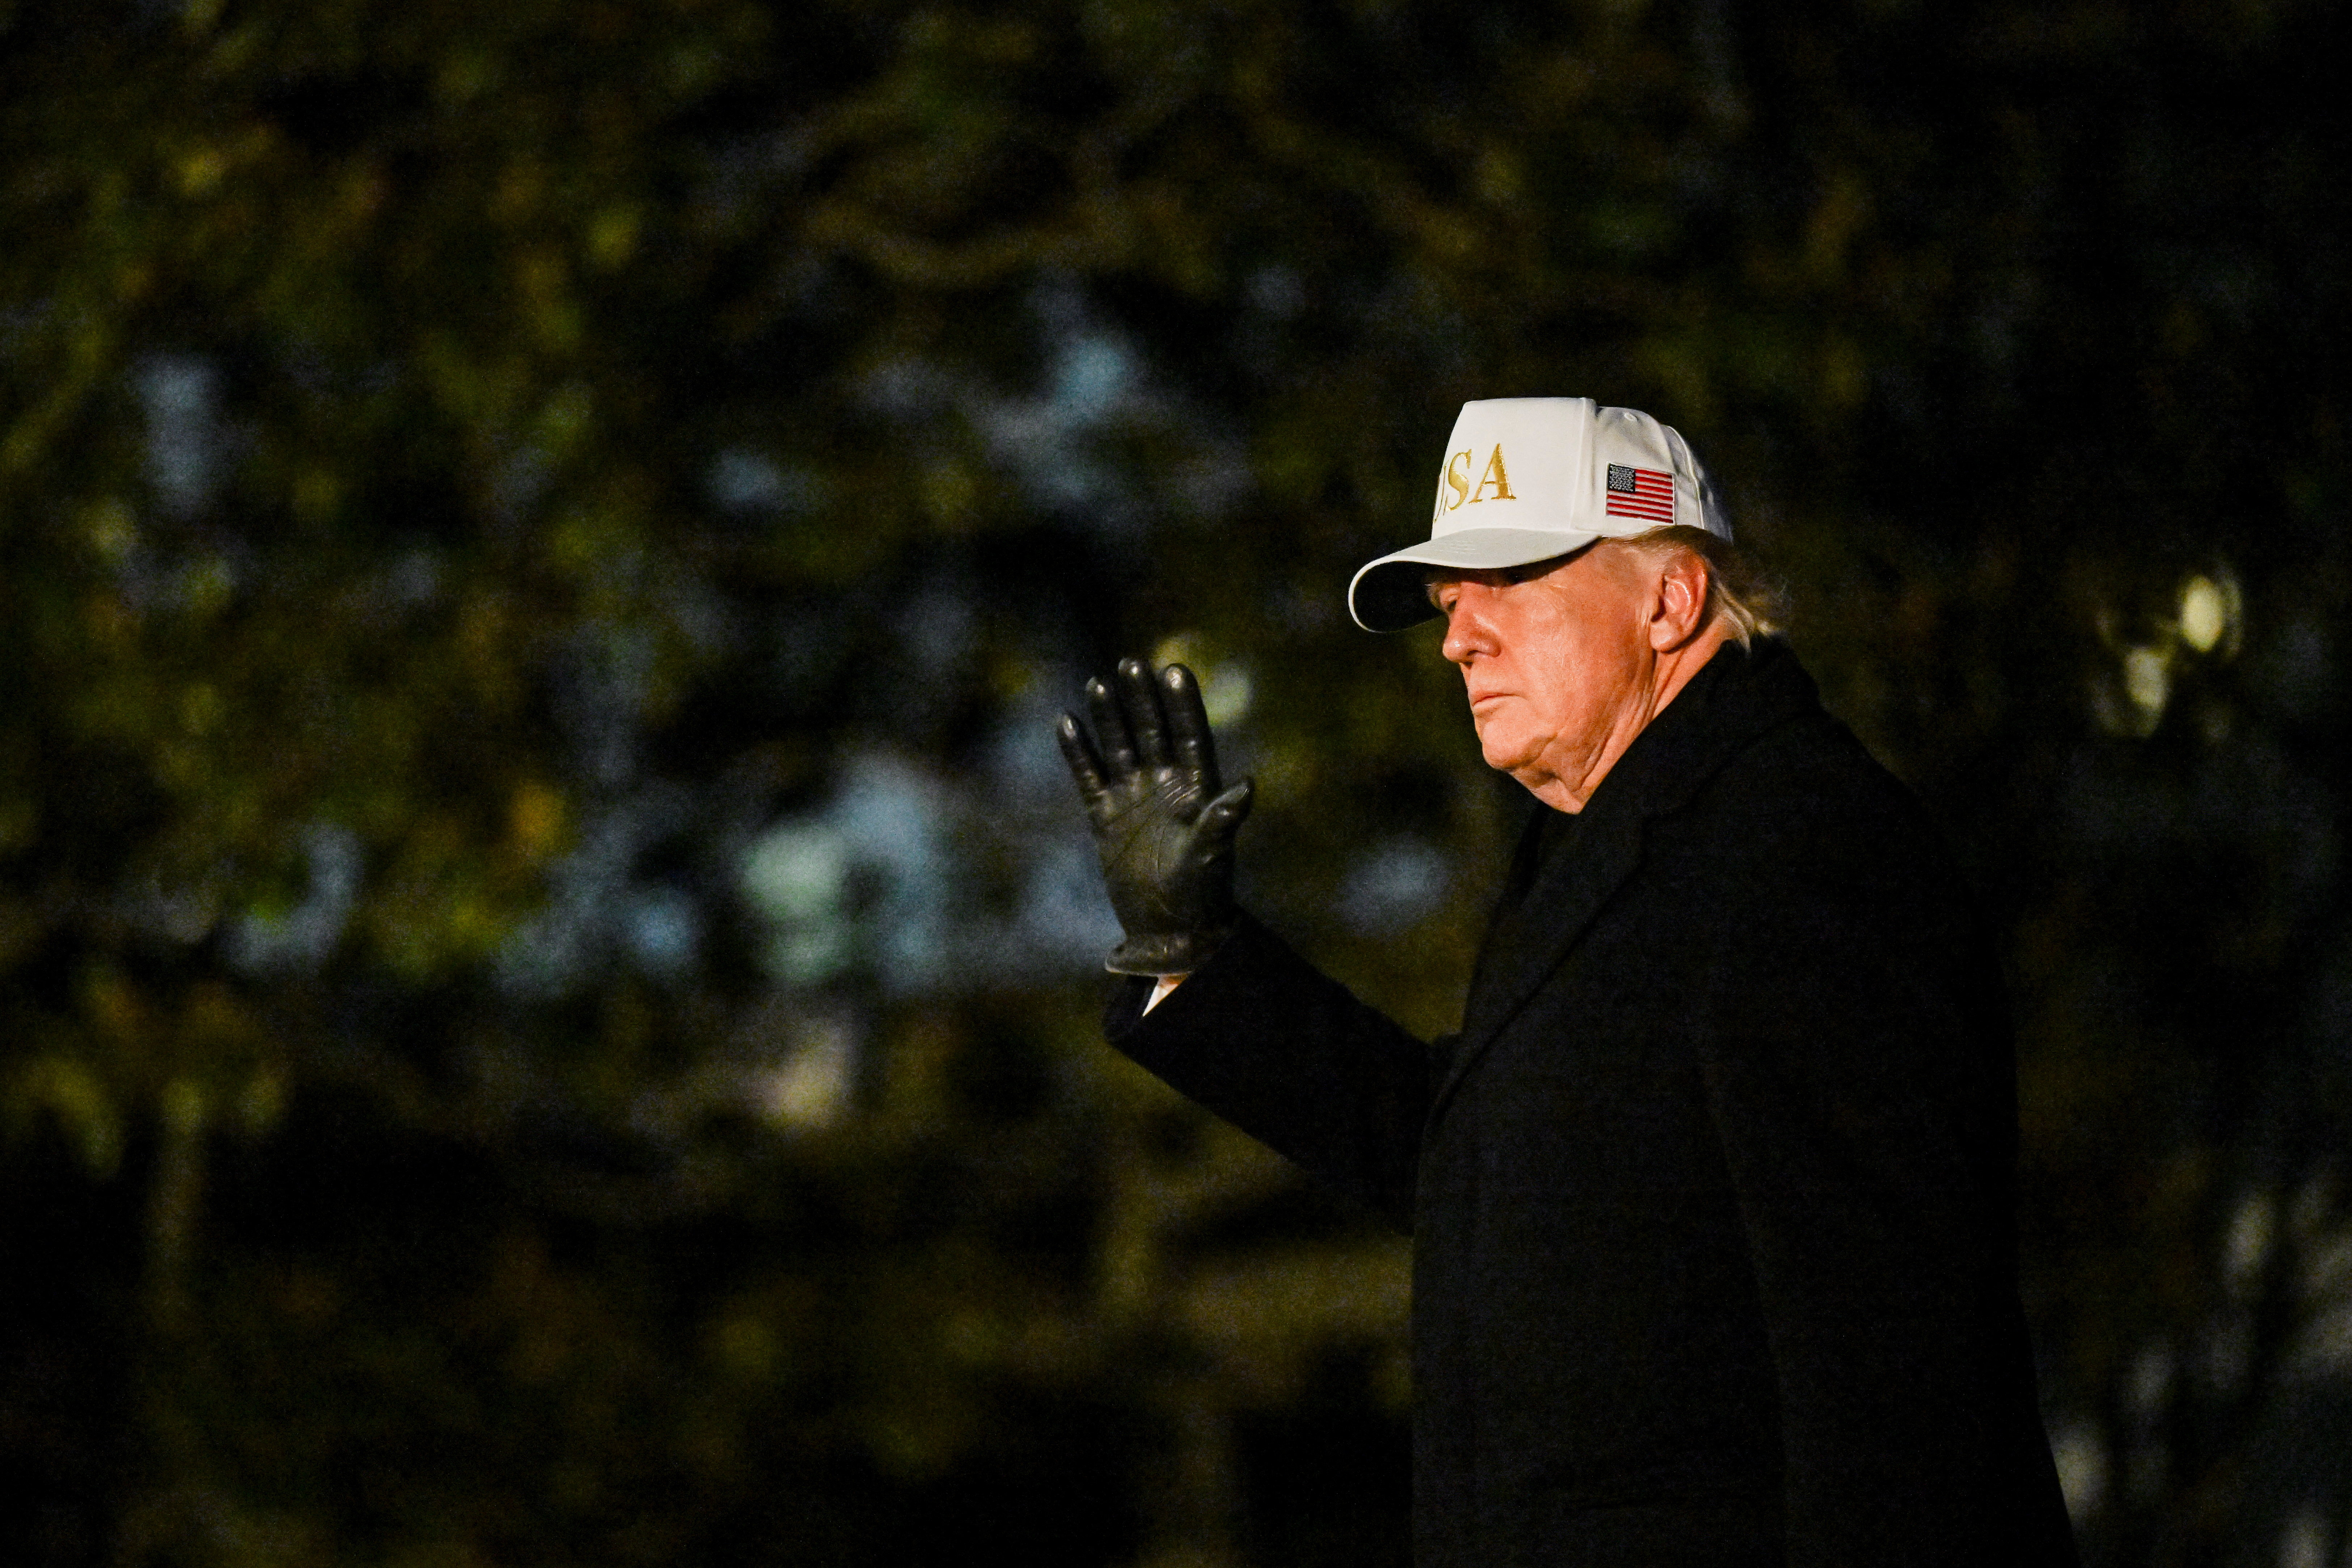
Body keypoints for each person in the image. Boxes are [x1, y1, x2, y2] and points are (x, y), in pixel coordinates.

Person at [1057, 397, 2080, 1566]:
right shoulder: (1615, 852)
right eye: (1449, 603)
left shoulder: (1798, 847)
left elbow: (1898, 1366)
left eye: (1510, 581)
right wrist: (1196, 958)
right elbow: (1485, 1167)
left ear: (1670, 597)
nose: (1459, 638)